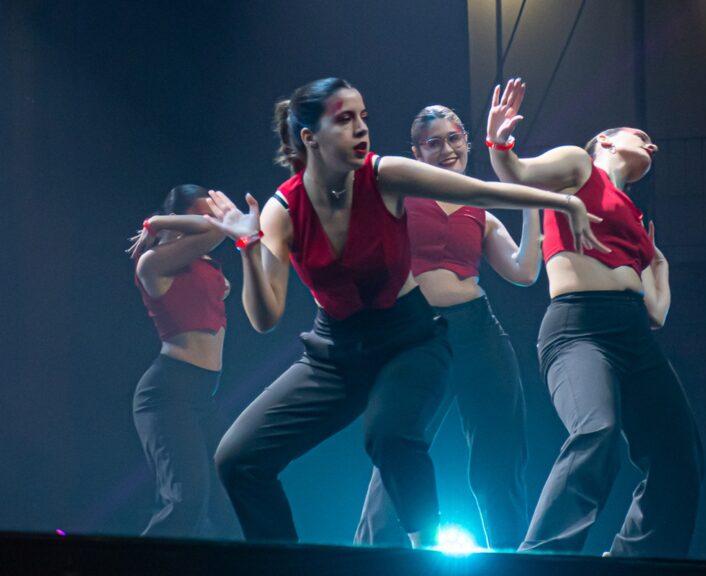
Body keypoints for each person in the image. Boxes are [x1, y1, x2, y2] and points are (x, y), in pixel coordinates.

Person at [204, 77, 606, 547]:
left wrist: (559, 201)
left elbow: (483, 200)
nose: (361, 129)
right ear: (310, 138)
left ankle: (448, 554)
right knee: (239, 459)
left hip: (420, 336)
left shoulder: (386, 176)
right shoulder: (286, 208)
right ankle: (299, 561)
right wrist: (248, 246)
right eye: (345, 119)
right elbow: (265, 316)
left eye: (363, 118)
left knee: (403, 439)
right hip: (335, 350)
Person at [486, 78, 703, 557]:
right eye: (638, 134)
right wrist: (500, 140)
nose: (653, 143)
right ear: (604, 140)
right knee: (596, 431)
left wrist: (659, 263)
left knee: (680, 452)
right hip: (578, 328)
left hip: (632, 332)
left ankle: (634, 560)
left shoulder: (634, 218)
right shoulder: (580, 167)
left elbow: (655, 314)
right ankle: (539, 559)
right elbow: (516, 175)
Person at [354, 105, 536, 550]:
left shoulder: (481, 209)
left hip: (479, 331)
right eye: (433, 143)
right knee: (397, 447)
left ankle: (512, 559)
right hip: (419, 334)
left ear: (467, 143)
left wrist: (533, 205)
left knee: (500, 459)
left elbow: (523, 272)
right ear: (416, 152)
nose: (447, 149)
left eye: (454, 139)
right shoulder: (398, 198)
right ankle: (366, 558)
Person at [128, 184, 238, 539]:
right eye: (200, 214)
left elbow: (218, 234)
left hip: (201, 398)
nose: (211, 220)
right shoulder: (153, 263)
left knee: (231, 501)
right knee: (186, 502)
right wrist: (158, 221)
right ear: (179, 221)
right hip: (167, 394)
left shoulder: (203, 264)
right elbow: (219, 229)